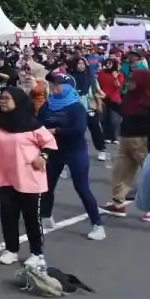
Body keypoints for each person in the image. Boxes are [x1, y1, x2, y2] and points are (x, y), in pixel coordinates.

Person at [0, 87, 57, 268]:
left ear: (17, 100)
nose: (2, 101)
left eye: (6, 98)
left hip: (30, 178)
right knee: (8, 216)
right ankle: (11, 250)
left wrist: (43, 157)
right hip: (7, 177)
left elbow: (49, 142)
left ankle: (37, 253)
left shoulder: (32, 124)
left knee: (32, 218)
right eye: (0, 98)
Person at [38, 73, 105, 240]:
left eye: (57, 84)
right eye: (52, 83)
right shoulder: (47, 106)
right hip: (54, 151)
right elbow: (38, 124)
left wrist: (56, 131)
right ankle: (45, 217)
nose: (53, 87)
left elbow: (79, 129)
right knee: (47, 185)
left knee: (82, 188)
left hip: (75, 151)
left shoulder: (77, 107)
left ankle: (97, 224)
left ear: (67, 87)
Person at [102, 67, 150, 221]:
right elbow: (123, 111)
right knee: (120, 173)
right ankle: (118, 204)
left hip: (143, 141)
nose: (131, 83)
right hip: (125, 139)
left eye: (134, 80)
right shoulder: (131, 97)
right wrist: (108, 101)